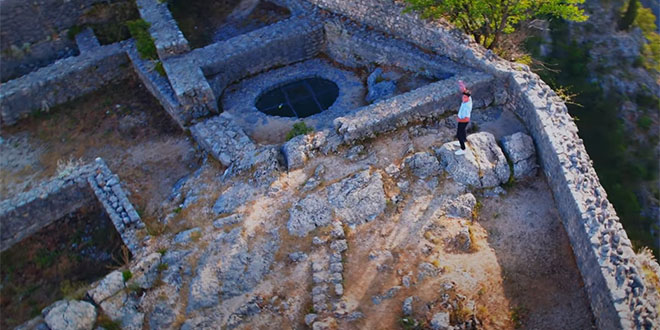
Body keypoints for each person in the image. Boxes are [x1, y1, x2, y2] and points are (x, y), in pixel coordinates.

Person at [455, 80, 472, 155]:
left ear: (467, 98)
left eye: (465, 97)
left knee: (459, 134)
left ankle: (463, 149)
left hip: (463, 121)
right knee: (463, 131)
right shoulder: (469, 98)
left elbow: (467, 119)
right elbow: (465, 91)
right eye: (463, 96)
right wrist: (462, 85)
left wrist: (459, 119)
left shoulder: (467, 107)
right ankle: (464, 140)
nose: (463, 98)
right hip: (462, 120)